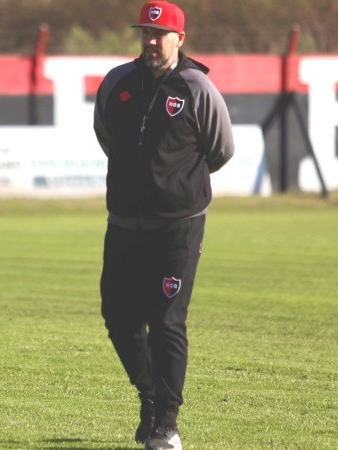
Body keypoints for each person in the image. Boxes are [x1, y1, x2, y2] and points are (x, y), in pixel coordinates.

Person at [93, 2, 235, 449]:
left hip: (177, 226)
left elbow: (221, 149)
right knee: (119, 318)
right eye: (145, 33)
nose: (151, 41)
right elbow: (107, 136)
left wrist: (174, 184)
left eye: (160, 34)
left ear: (180, 39)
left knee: (166, 321)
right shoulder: (117, 82)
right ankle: (150, 395)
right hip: (124, 221)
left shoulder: (197, 87)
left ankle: (166, 425)